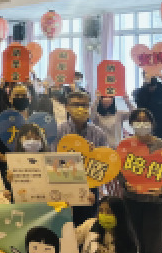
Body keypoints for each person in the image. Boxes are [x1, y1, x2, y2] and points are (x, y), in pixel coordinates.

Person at [121, 108, 162, 253]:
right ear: (131, 123)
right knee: (133, 244)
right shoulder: (125, 146)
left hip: (157, 204)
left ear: (152, 124)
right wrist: (125, 184)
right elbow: (119, 171)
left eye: (145, 120)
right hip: (132, 201)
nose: (142, 124)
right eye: (138, 120)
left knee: (153, 246)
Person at [57, 91, 108, 226]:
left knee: (88, 227)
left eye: (84, 105)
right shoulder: (58, 131)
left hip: (90, 188)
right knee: (65, 228)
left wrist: (94, 155)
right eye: (76, 105)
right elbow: (51, 161)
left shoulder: (99, 134)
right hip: (64, 186)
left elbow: (104, 164)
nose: (80, 108)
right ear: (67, 107)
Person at [132, 73, 162, 141]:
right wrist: (145, 85)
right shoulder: (141, 92)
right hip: (145, 127)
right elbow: (139, 103)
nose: (152, 88)